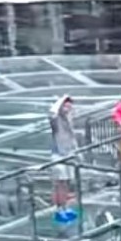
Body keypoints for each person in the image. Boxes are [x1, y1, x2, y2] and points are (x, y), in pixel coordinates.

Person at [49, 94, 78, 223]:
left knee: (66, 184)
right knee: (59, 185)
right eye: (65, 106)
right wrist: (61, 99)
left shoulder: (68, 119)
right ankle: (58, 209)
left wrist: (76, 150)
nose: (68, 108)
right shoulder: (56, 120)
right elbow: (52, 112)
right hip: (58, 156)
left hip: (69, 155)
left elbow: (72, 137)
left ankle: (65, 208)